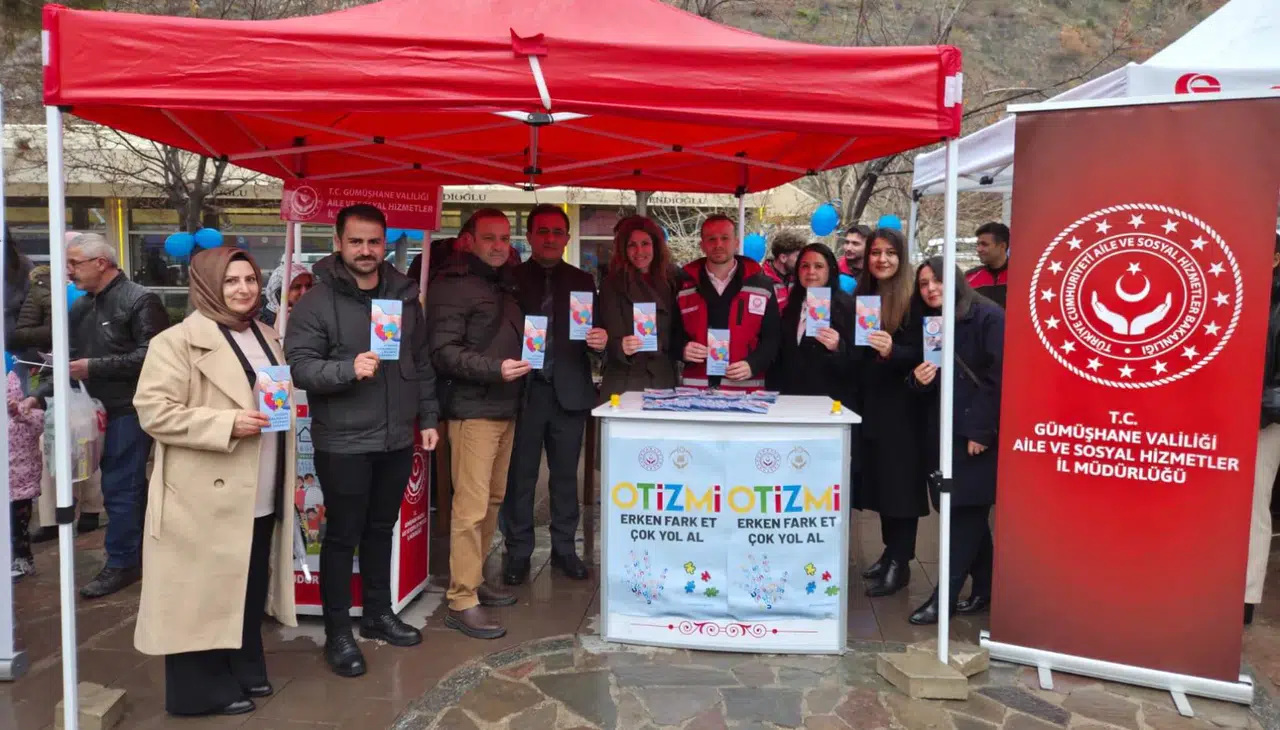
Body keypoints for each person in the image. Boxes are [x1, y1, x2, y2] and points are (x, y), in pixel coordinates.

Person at [132, 248, 298, 717]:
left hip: (259, 483)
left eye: (250, 279)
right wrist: (225, 424)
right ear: (207, 285)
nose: (243, 289)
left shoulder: (266, 334)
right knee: (199, 591)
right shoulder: (175, 342)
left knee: (246, 581)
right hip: (203, 491)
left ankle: (242, 664)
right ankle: (197, 689)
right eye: (230, 281)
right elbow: (153, 412)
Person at [285, 204, 440, 677]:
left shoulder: (404, 296)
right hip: (344, 442)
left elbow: (421, 361)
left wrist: (428, 417)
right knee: (342, 537)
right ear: (338, 243)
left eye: (374, 241)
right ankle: (338, 633)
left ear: (384, 242)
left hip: (396, 438)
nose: (366, 250)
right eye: (356, 241)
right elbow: (300, 367)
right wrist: (346, 369)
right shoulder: (316, 302)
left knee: (381, 529)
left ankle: (377, 614)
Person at [25, 232, 169, 598]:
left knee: (121, 488)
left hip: (130, 409)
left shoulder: (140, 300)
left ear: (101, 263)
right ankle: (140, 553)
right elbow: (68, 360)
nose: (68, 271)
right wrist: (39, 396)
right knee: (124, 489)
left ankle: (122, 563)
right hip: (91, 411)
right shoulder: (81, 308)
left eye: (74, 263)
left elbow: (155, 357)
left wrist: (94, 367)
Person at [427, 208, 528, 640]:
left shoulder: (501, 282)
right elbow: (442, 351)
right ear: (467, 240)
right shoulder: (452, 285)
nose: (499, 245)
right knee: (470, 508)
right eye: (490, 238)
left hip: (505, 405)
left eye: (505, 238)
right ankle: (461, 599)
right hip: (472, 409)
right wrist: (494, 369)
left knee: (491, 500)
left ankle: (476, 577)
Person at [501, 205, 607, 586]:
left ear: (567, 238)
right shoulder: (510, 280)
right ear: (529, 236)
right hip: (524, 391)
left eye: (557, 232)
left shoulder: (583, 281)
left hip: (569, 392)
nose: (550, 238)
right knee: (520, 477)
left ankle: (565, 549)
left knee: (565, 478)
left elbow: (596, 334)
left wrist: (601, 340)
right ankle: (518, 552)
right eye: (542, 231)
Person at [905, 256, 1004, 625]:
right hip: (943, 431)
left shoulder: (987, 316)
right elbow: (927, 381)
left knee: (964, 516)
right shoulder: (932, 320)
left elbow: (999, 378)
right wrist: (917, 380)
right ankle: (986, 588)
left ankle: (943, 598)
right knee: (966, 513)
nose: (931, 289)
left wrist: (980, 431)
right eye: (924, 283)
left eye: (937, 280)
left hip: (974, 435)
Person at [851, 227, 928, 598]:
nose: (882, 259)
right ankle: (889, 552)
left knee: (901, 488)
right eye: (876, 252)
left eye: (890, 253)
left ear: (901, 257)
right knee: (882, 483)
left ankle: (901, 562)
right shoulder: (863, 296)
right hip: (873, 405)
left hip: (905, 408)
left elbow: (928, 352)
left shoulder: (915, 299)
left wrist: (892, 350)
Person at [678, 214, 781, 391]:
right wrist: (682, 349)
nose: (718, 244)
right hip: (696, 390)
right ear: (702, 245)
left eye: (725, 238)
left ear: (736, 243)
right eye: (711, 239)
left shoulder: (762, 285)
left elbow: (773, 338)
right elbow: (671, 333)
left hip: (745, 391)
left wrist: (753, 364)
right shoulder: (683, 285)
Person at [598, 216, 686, 398]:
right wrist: (620, 346)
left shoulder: (674, 280)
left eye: (645, 243)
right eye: (632, 245)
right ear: (623, 249)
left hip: (663, 379)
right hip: (624, 379)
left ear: (656, 246)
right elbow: (604, 334)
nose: (639, 251)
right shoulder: (611, 284)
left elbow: (681, 331)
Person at [766, 243, 855, 402]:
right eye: (805, 266)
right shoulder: (790, 306)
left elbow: (860, 361)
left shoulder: (848, 307)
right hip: (790, 400)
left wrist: (838, 347)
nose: (811, 272)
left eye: (818, 266)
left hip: (830, 402)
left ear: (830, 270)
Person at [1248, 233, 1280, 626]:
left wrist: (1257, 408)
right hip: (1224, 419)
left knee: (1254, 504)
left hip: (1262, 422)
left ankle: (1244, 595)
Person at [8, 368, 43, 579]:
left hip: (22, 488)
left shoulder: (29, 416)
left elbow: (39, 422)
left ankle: (23, 559)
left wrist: (20, 411)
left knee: (18, 527)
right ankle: (16, 558)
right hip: (9, 485)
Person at [966, 222, 1010, 308]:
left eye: (984, 244)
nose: (979, 249)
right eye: (978, 244)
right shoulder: (969, 278)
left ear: (1002, 246)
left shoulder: (1021, 277)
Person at [260, 262, 314, 327]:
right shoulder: (262, 323)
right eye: (296, 287)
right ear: (279, 292)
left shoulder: (310, 314)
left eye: (308, 285)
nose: (305, 292)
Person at [761, 229, 806, 308]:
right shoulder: (760, 281)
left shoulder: (799, 278)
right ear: (783, 258)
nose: (802, 261)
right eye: (798, 256)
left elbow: (818, 312)